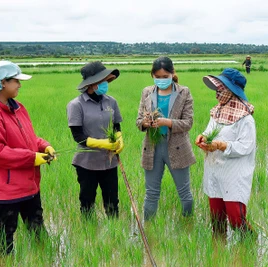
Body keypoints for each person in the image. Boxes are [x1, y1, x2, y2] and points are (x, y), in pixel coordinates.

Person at [0, 61, 56, 256]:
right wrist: (33, 158)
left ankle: (45, 259)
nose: (19, 84)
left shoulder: (17, 108)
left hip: (28, 184)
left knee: (37, 229)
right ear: (3, 82)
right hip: (6, 189)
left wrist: (43, 145)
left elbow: (28, 138)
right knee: (4, 237)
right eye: (16, 80)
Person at [195, 68, 256, 239]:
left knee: (236, 220)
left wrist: (221, 145)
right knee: (217, 220)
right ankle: (219, 253)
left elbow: (246, 146)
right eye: (217, 90)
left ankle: (251, 244)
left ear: (231, 91)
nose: (217, 94)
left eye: (220, 90)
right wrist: (203, 138)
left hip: (233, 174)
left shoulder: (245, 118)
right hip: (214, 170)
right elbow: (210, 131)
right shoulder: (217, 111)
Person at [136, 56, 196, 221]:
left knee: (184, 192)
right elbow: (138, 121)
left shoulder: (184, 92)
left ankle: (188, 226)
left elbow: (188, 123)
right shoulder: (147, 92)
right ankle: (149, 228)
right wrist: (146, 123)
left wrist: (167, 122)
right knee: (151, 193)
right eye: (158, 77)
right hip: (153, 147)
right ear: (152, 76)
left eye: (165, 77)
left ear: (172, 73)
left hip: (177, 147)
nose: (161, 80)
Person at [67, 61, 124, 219]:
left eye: (106, 80)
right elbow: (78, 137)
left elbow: (116, 126)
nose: (106, 83)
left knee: (112, 202)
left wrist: (119, 139)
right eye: (102, 80)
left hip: (109, 161)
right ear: (91, 84)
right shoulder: (76, 105)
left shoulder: (111, 101)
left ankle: (114, 231)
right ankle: (88, 234)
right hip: (86, 163)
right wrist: (103, 143)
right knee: (87, 201)